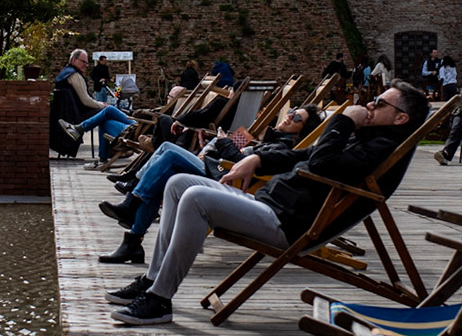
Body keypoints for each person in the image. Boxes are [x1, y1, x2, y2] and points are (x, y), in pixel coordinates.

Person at [107, 82, 430, 325]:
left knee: (195, 197)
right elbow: (303, 155)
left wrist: (344, 121)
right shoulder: (364, 139)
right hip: (266, 203)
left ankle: (160, 300)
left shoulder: (379, 149)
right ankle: (151, 280)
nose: (369, 104)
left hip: (288, 224)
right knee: (178, 183)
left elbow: (320, 164)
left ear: (400, 118)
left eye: (379, 102)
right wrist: (257, 158)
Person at [95, 104, 320, 264]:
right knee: (165, 154)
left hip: (224, 175)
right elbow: (241, 146)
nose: (290, 117)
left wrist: (222, 142)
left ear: (302, 130)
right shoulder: (270, 136)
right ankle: (132, 226)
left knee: (168, 158)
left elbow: (241, 162)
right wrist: (218, 141)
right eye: (291, 112)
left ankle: (132, 210)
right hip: (217, 163)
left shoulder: (284, 147)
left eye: (297, 119)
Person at [55, 49, 135, 157]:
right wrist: (101, 105)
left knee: (106, 119)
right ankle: (132, 129)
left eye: (87, 63)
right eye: (83, 62)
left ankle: (105, 153)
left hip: (70, 113)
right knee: (109, 110)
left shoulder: (64, 74)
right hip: (78, 113)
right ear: (74, 60)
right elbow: (85, 100)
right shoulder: (74, 75)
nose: (86, 65)